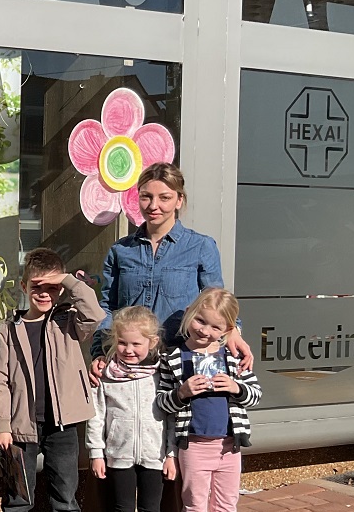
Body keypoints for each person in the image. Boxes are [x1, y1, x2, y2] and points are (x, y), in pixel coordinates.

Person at [0, 248, 104, 512]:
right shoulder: (9, 328)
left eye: (50, 287)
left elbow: (95, 313)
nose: (44, 292)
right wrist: (1, 424)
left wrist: (65, 281)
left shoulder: (68, 321)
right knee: (18, 499)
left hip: (63, 425)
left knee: (65, 499)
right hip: (21, 427)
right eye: (36, 285)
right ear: (23, 286)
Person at [91, 162, 252, 378]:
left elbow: (216, 303)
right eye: (146, 196)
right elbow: (108, 308)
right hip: (128, 367)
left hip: (181, 364)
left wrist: (233, 331)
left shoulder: (200, 246)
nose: (153, 205)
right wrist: (99, 353)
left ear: (179, 200)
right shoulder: (121, 250)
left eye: (164, 198)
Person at [156, 288, 261, 512]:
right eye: (201, 321)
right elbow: (161, 403)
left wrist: (237, 388)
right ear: (190, 315)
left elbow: (255, 394)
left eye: (216, 327)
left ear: (229, 330)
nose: (206, 331)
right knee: (193, 511)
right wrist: (182, 392)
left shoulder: (233, 358)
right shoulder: (173, 358)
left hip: (230, 446)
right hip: (194, 447)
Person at [87, 306, 173, 512]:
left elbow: (173, 416)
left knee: (151, 511)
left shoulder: (161, 374)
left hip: (154, 455)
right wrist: (96, 452)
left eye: (137, 343)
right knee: (121, 510)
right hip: (118, 454)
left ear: (152, 342)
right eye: (122, 342)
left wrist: (171, 454)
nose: (129, 349)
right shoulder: (107, 374)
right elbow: (96, 414)